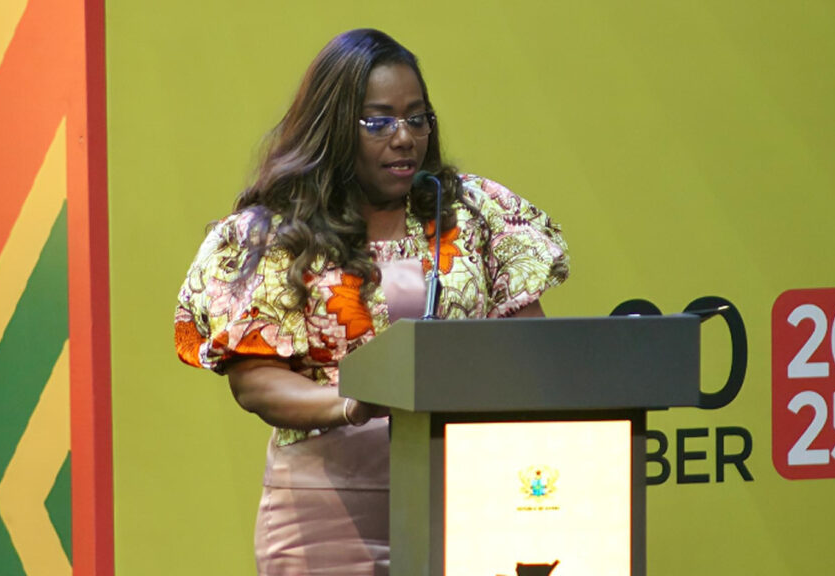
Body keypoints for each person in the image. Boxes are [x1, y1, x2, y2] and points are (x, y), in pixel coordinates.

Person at [174, 28, 569, 575]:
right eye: (379, 122)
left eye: (417, 118)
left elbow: (531, 348)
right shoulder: (274, 235)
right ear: (335, 126)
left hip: (468, 500)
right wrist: (352, 404)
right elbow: (255, 381)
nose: (404, 137)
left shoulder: (474, 212)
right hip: (327, 515)